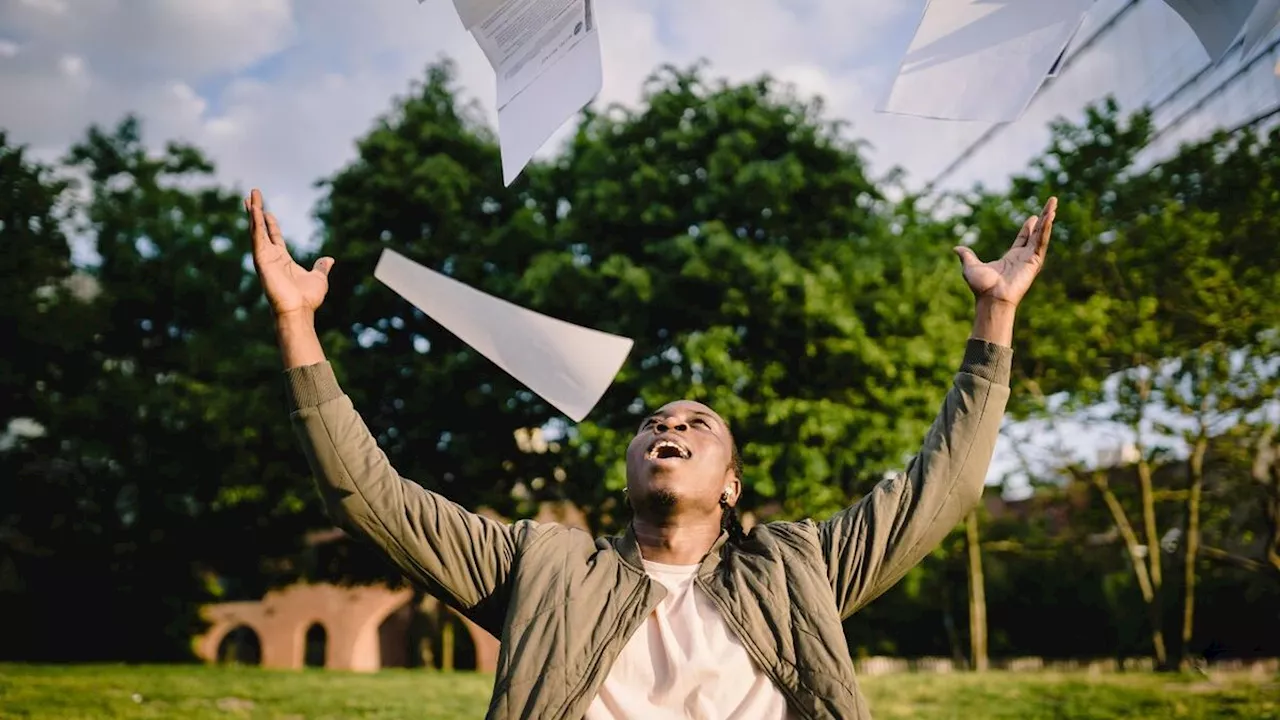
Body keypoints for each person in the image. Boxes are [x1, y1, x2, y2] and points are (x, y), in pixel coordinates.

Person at [247, 188, 1056, 720]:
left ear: (731, 485)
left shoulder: (798, 565)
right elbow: (368, 495)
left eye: (697, 423)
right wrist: (297, 325)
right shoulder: (545, 567)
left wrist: (995, 318)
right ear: (631, 467)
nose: (668, 427)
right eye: (651, 423)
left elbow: (940, 489)